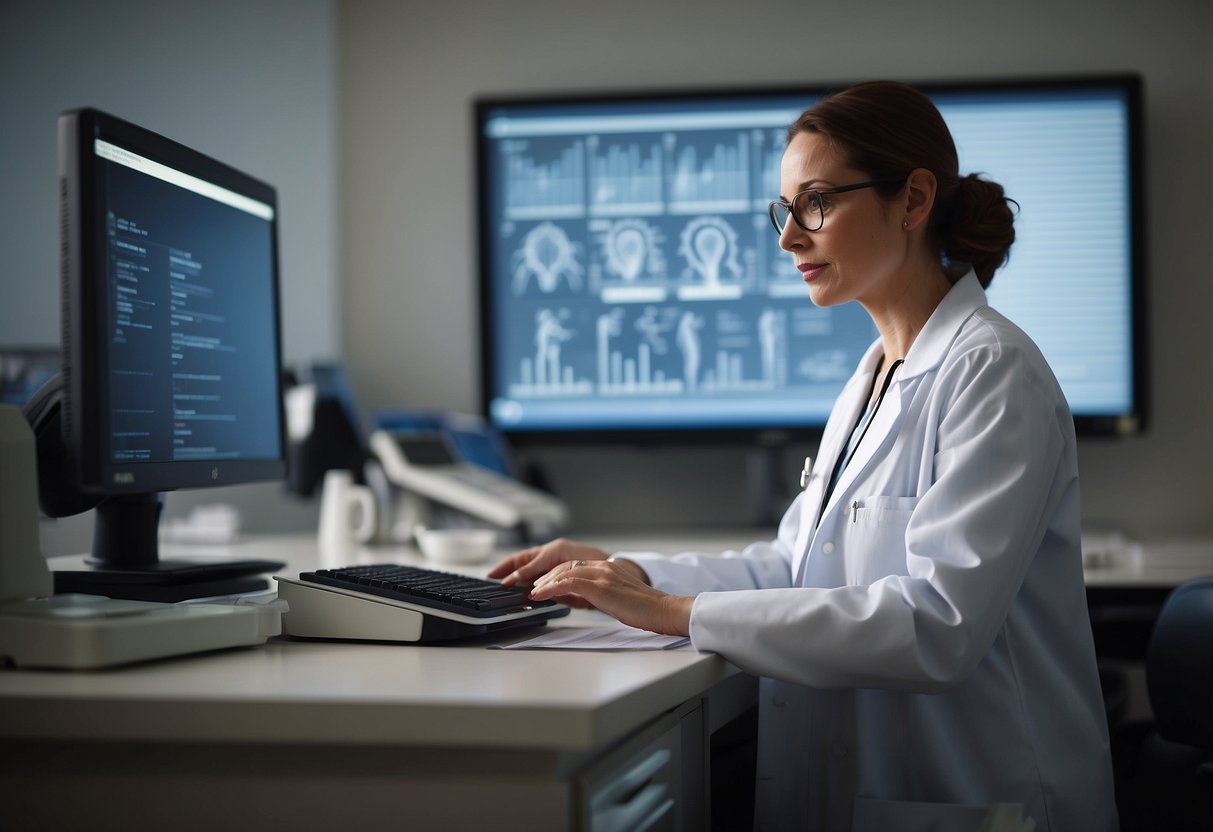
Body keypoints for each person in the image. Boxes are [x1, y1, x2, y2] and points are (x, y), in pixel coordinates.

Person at [489, 80, 1117, 832]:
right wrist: (631, 574)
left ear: (913, 200)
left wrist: (673, 614)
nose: (788, 238)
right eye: (784, 211)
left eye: (816, 203)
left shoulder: (991, 369)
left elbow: (936, 626)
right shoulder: (873, 375)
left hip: (981, 800)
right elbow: (796, 569)